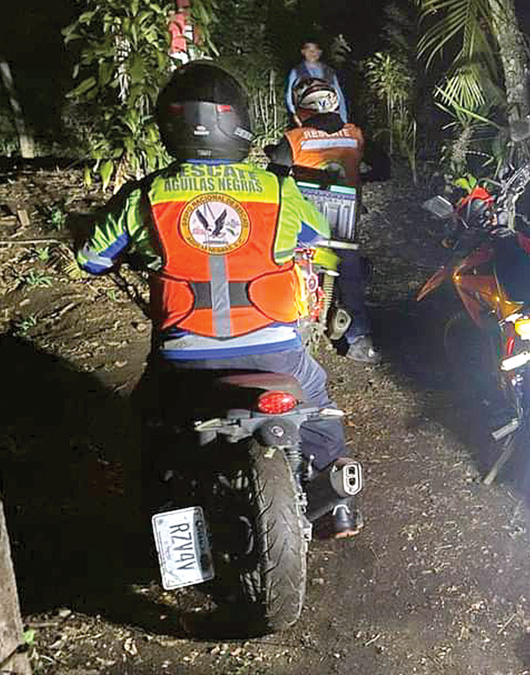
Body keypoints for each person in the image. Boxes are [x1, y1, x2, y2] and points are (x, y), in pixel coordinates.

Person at [75, 62, 363, 538]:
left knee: (150, 420)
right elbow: (318, 233)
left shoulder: (146, 196)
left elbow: (91, 259)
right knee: (316, 400)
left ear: (169, 125)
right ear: (239, 124)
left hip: (184, 357)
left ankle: (162, 511)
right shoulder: (277, 188)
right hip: (275, 349)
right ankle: (338, 509)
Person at [267, 77, 379, 363]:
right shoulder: (355, 135)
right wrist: (358, 179)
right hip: (344, 224)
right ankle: (359, 341)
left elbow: (274, 177)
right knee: (351, 277)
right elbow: (383, 166)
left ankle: (290, 334)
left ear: (303, 109)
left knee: (293, 272)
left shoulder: (294, 139)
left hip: (306, 225)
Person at [286, 40, 348, 123]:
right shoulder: (296, 71)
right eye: (309, 50)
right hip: (307, 116)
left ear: (320, 52)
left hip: (329, 115)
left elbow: (339, 95)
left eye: (315, 50)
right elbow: (289, 95)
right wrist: (294, 114)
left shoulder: (329, 71)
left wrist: (343, 119)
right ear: (303, 52)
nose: (312, 53)